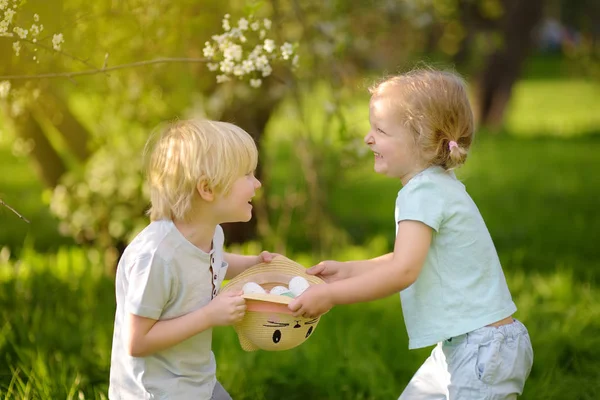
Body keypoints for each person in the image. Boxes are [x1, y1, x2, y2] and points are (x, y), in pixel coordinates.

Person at [288, 69, 534, 399]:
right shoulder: (432, 185)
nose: (368, 137)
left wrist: (332, 296)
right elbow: (407, 259)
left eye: (381, 130)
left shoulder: (423, 193)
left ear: (420, 138)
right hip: (462, 345)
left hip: (482, 349)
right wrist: (348, 270)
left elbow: (403, 271)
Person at [109, 119, 277, 400]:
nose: (257, 183)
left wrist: (254, 264)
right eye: (247, 175)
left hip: (197, 382)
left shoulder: (212, 235)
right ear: (207, 189)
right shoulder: (156, 258)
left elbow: (208, 261)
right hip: (156, 392)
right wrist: (210, 315)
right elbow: (137, 342)